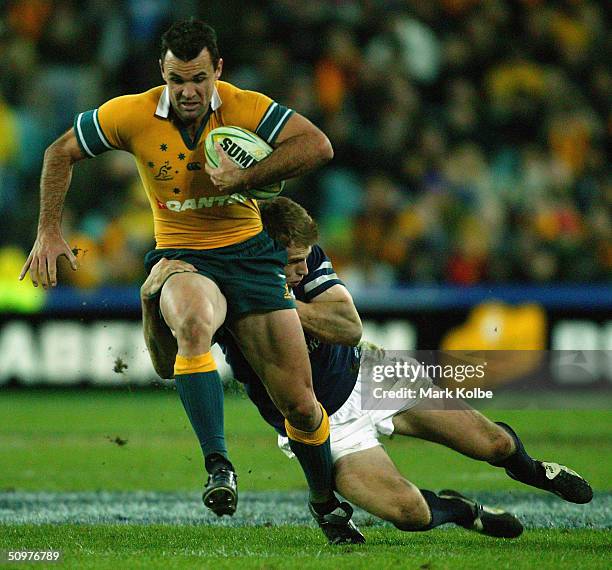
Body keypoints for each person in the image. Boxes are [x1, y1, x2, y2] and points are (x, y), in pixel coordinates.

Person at [19, 20, 362, 544]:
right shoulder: (130, 113)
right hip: (182, 255)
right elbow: (58, 151)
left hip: (250, 256)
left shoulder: (245, 107)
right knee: (195, 322)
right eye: (177, 79)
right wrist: (47, 231)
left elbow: (317, 146)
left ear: (217, 71)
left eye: (198, 78)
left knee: (299, 402)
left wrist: (245, 178)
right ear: (163, 72)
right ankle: (219, 467)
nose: (188, 91)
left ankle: (324, 502)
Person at [143, 197, 593, 543]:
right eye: (291, 263)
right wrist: (150, 303)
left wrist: (281, 304)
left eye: (304, 259)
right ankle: (460, 510)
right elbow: (168, 366)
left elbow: (348, 326)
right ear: (263, 254)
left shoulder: (305, 262)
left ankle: (534, 470)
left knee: (492, 443)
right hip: (322, 425)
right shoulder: (215, 287)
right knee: (409, 514)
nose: (301, 269)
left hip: (369, 376)